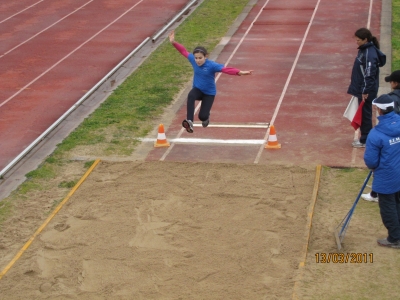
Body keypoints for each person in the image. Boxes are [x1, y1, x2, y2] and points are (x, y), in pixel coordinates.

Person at [169, 30, 253, 133]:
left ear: (206, 56)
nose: (198, 60)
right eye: (196, 58)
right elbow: (183, 51)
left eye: (200, 58)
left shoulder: (212, 65)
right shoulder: (193, 60)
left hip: (209, 93)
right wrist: (173, 42)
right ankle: (190, 121)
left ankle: (206, 117)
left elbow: (226, 70)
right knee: (191, 95)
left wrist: (240, 72)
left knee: (202, 116)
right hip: (198, 90)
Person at [364, 94, 400, 248]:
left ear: (379, 110)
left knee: (388, 207)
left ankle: (394, 238)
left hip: (386, 175)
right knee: (397, 202)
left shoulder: (376, 134)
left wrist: (374, 167)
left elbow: (371, 160)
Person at [362, 70, 400, 202]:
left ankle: (375, 194)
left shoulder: (393, 99)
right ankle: (374, 193)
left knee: (386, 161)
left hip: (390, 140)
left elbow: (391, 120)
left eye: (391, 81)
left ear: (395, 83)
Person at [347, 28, 386, 148]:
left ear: (365, 40)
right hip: (363, 88)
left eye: (358, 40)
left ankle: (365, 139)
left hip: (366, 90)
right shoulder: (365, 50)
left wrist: (365, 90)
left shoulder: (369, 53)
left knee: (365, 114)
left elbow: (369, 74)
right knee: (364, 113)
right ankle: (365, 137)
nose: (356, 42)